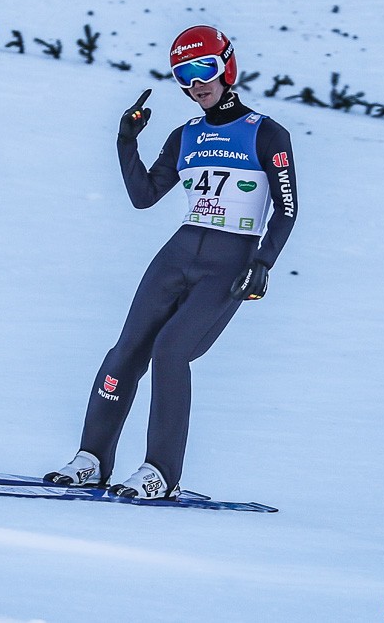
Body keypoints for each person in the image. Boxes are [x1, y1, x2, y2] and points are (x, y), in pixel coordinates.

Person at [45, 25, 299, 499]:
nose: (196, 83)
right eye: (184, 74)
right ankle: (91, 459)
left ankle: (161, 472)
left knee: (170, 351)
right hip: (178, 252)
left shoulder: (267, 133)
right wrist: (126, 143)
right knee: (127, 350)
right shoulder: (185, 136)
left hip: (230, 262)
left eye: (204, 69)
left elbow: (287, 209)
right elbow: (144, 196)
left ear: (227, 66)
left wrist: (263, 262)